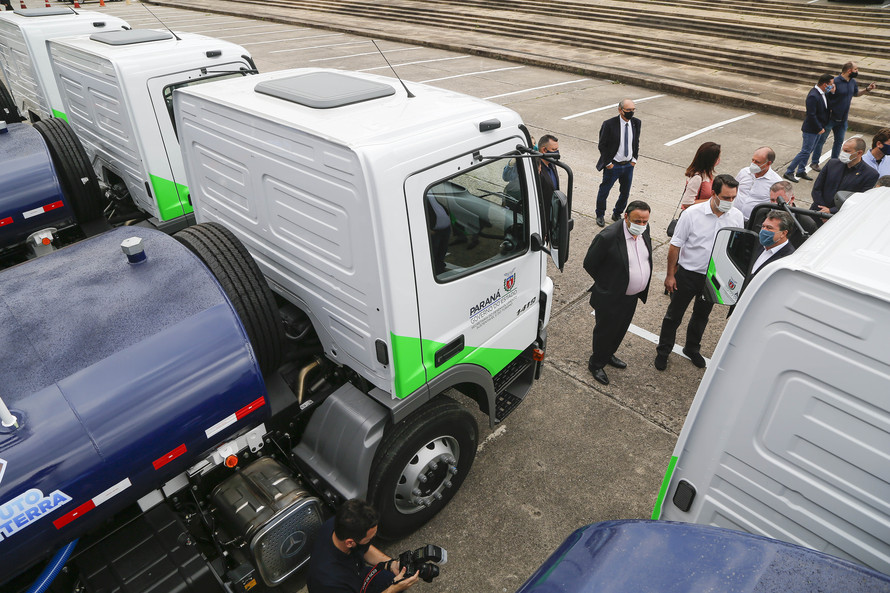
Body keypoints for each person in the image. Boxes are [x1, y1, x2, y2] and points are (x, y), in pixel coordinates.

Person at [654, 174, 744, 371]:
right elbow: (675, 246)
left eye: (733, 198)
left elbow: (735, 247)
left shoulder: (736, 217)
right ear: (714, 194)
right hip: (688, 275)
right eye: (726, 197)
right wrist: (670, 275)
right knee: (673, 316)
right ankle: (663, 351)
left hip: (712, 277)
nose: (730, 202)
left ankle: (692, 348)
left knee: (702, 315)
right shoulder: (692, 215)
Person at [583, 200, 652, 386]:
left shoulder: (645, 230)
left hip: (632, 296)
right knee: (605, 331)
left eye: (645, 221)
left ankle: (608, 354)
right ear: (626, 217)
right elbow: (589, 263)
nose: (642, 225)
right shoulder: (608, 237)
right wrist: (609, 284)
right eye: (638, 221)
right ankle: (596, 363)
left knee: (620, 328)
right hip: (610, 296)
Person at [307, 499, 419, 593]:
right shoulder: (329, 581)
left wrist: (390, 564)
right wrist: (393, 589)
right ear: (350, 543)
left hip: (358, 574)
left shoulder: (340, 524)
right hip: (345, 587)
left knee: (390, 578)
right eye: (369, 539)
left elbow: (365, 549)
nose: (371, 540)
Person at [811, 62, 877, 170]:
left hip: (843, 119)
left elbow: (855, 94)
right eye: (856, 69)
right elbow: (823, 95)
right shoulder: (835, 82)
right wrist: (831, 93)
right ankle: (814, 162)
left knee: (839, 142)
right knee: (821, 140)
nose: (857, 71)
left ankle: (834, 163)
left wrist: (867, 89)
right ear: (849, 70)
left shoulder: (852, 82)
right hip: (831, 118)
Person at [594, 99, 640, 227]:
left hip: (628, 165)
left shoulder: (636, 123)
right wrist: (608, 163)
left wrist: (634, 159)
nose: (631, 113)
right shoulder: (609, 124)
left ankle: (617, 213)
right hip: (613, 165)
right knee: (604, 191)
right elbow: (602, 145)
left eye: (633, 110)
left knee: (625, 192)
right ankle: (600, 215)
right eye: (628, 110)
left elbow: (636, 142)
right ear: (620, 110)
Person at [784, 74, 833, 183]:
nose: (832, 86)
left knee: (809, 150)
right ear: (825, 84)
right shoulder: (813, 95)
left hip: (818, 128)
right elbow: (811, 115)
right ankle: (789, 171)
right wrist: (819, 127)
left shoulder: (823, 93)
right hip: (812, 129)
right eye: (831, 84)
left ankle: (801, 170)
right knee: (805, 151)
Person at [811, 138, 880, 215]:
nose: (843, 153)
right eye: (843, 150)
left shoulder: (870, 174)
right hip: (817, 211)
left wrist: (831, 211)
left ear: (859, 153)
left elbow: (858, 200)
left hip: (841, 216)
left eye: (847, 151)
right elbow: (817, 188)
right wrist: (823, 210)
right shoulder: (832, 164)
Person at [749, 180, 817, 248]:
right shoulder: (761, 212)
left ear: (792, 199)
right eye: (772, 200)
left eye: (780, 201)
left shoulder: (806, 224)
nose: (775, 204)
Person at [733, 146, 782, 221]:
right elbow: (733, 189)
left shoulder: (776, 182)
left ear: (768, 163)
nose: (753, 164)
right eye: (753, 160)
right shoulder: (744, 172)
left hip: (752, 222)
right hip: (734, 217)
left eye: (757, 162)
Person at [681, 142, 721, 210]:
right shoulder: (697, 178)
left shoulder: (707, 174)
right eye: (718, 157)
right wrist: (712, 201)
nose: (719, 159)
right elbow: (687, 203)